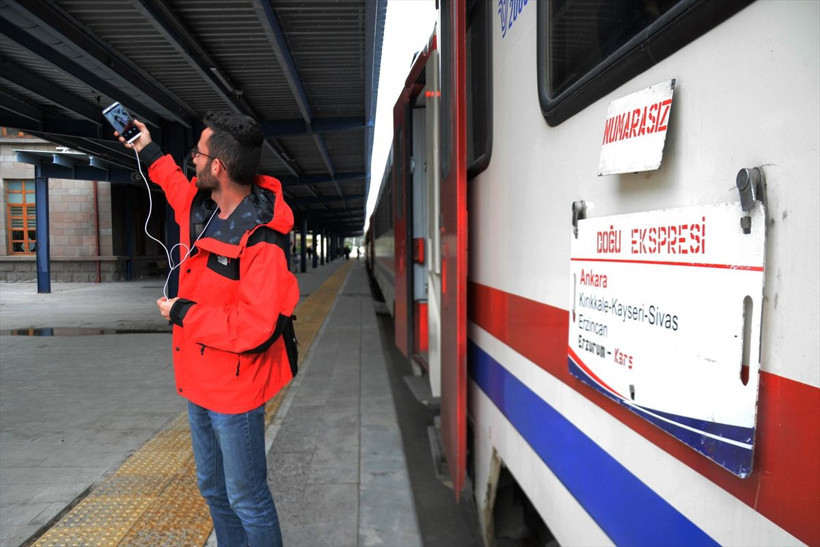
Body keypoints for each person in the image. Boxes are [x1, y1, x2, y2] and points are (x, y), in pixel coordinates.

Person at [116, 112, 298, 546]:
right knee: (213, 490)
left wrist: (184, 313)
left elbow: (253, 327)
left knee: (247, 497)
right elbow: (171, 183)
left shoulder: (262, 239)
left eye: (197, 153)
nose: (190, 161)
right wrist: (145, 146)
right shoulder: (202, 208)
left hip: (235, 390)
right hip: (197, 381)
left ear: (218, 166)